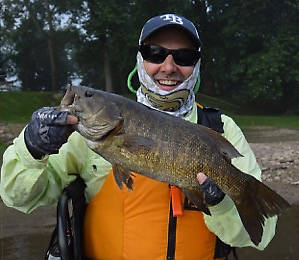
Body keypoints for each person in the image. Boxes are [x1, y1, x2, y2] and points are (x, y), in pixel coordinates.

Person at [0, 14, 278, 259]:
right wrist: (32, 147)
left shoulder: (221, 128)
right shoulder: (82, 134)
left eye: (184, 57)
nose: (168, 67)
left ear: (197, 64)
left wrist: (222, 204)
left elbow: (261, 237)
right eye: (155, 53)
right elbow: (19, 199)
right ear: (140, 58)